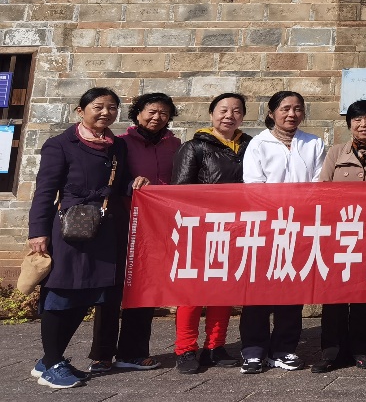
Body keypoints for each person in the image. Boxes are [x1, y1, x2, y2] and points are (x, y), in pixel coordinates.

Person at [27, 88, 134, 389]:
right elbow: (45, 191)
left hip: (103, 231)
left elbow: (120, 183)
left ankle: (49, 359)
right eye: (98, 107)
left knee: (88, 295)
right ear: (80, 111)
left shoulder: (117, 146)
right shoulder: (60, 144)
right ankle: (52, 364)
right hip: (69, 229)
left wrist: (134, 183)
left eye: (112, 108)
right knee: (62, 294)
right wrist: (37, 232)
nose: (105, 113)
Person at [88, 92, 181, 373]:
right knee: (112, 289)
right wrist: (132, 185)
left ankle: (133, 352)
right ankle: (102, 354)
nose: (157, 117)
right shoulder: (120, 143)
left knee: (144, 289)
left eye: (163, 113)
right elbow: (111, 181)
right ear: (137, 113)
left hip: (157, 227)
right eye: (151, 111)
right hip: (123, 223)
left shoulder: (175, 144)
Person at [312, 99, 366, 373]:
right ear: (349, 124)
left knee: (364, 293)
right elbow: (323, 191)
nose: (363, 124)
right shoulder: (335, 153)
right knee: (334, 294)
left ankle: (362, 350)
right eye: (357, 119)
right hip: (339, 234)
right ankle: (331, 351)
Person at [239, 90, 326, 374]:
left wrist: (300, 211)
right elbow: (254, 185)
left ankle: (284, 349)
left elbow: (318, 184)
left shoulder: (313, 143)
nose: (292, 114)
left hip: (301, 227)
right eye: (285, 108)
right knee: (257, 292)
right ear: (271, 112)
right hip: (264, 227)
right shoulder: (258, 144)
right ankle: (253, 350)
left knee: (292, 290)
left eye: (297, 109)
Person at [170, 92, 253, 374]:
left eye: (236, 111)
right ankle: (185, 349)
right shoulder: (195, 147)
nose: (229, 115)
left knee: (223, 291)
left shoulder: (250, 146)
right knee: (193, 293)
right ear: (211, 114)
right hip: (201, 229)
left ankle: (215, 346)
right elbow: (181, 191)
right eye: (223, 110)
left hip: (237, 229)